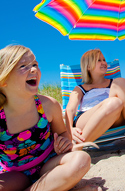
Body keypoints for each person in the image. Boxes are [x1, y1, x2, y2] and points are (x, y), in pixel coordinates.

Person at [0, 45, 98, 191]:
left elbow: (64, 133)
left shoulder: (48, 105)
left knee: (81, 160)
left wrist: (64, 142)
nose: (33, 69)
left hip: (49, 165)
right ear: (4, 79)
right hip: (15, 173)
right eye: (23, 66)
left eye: (35, 64)